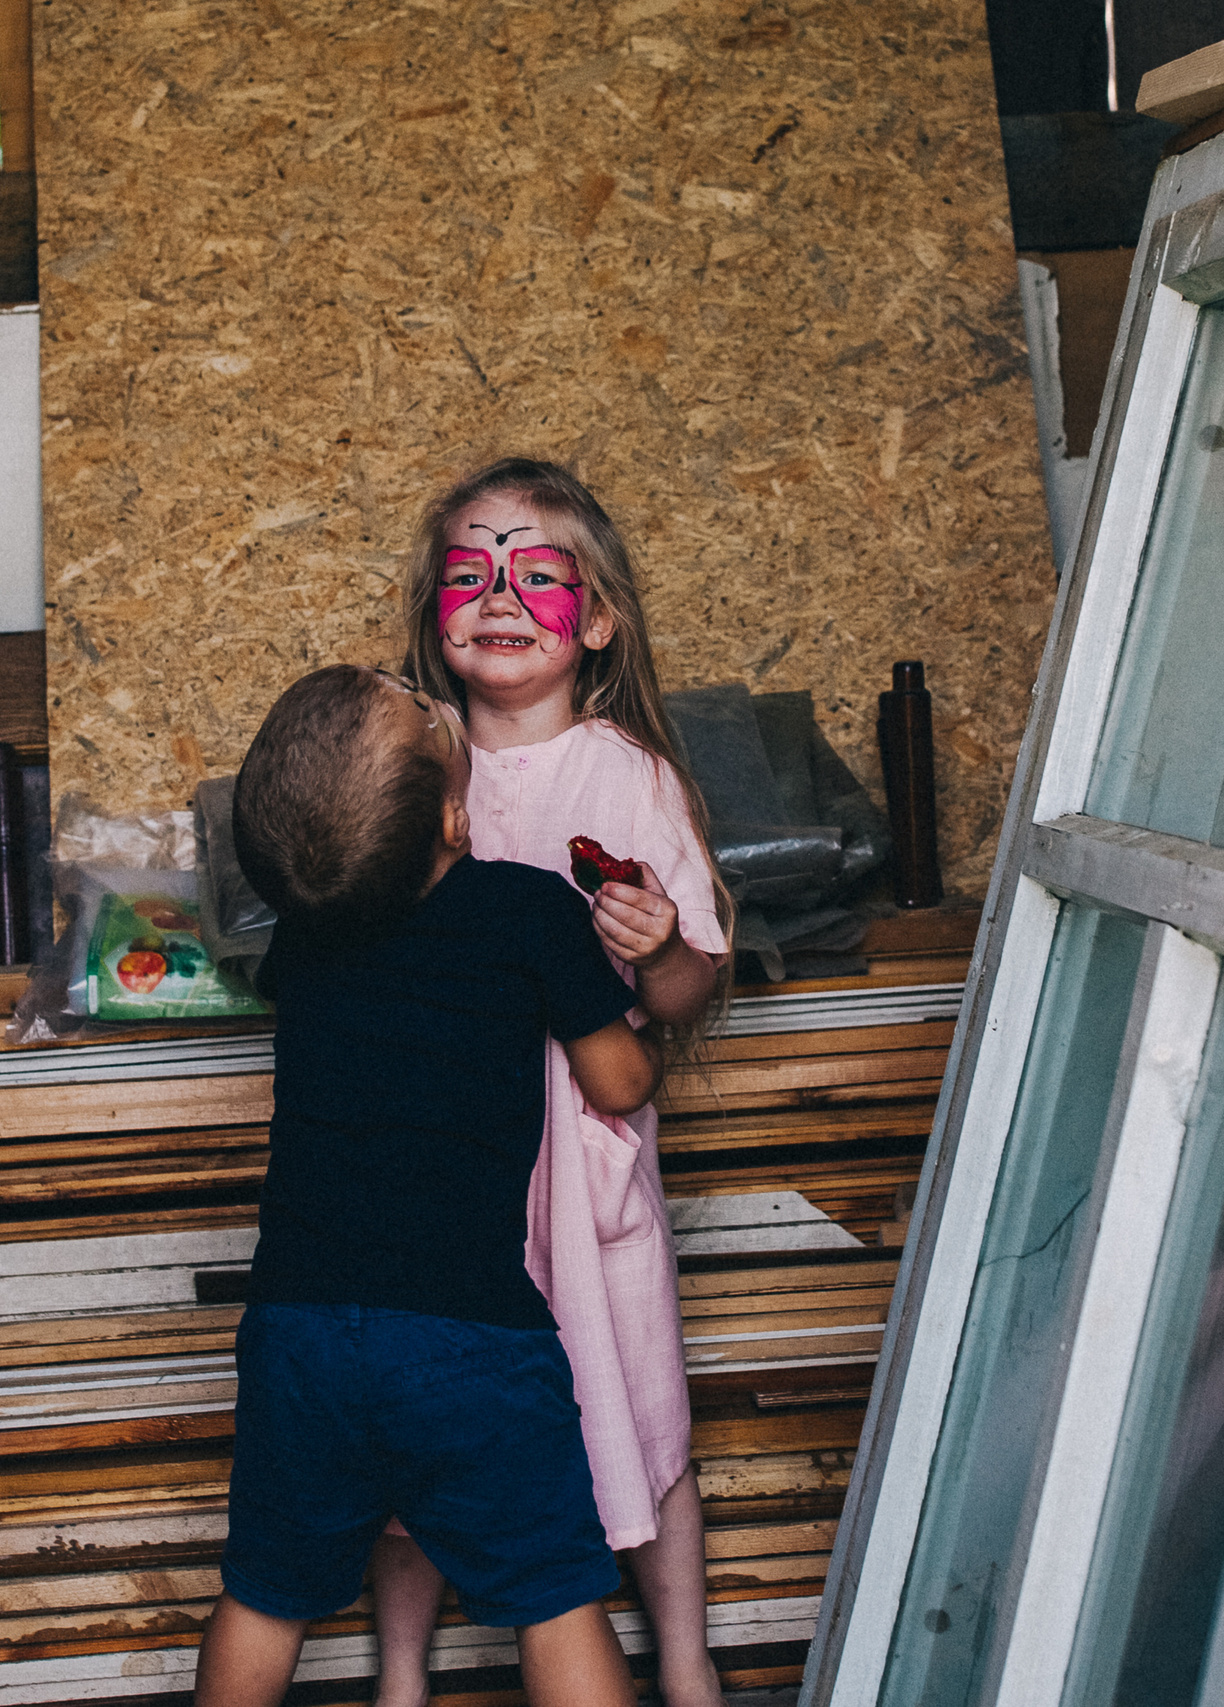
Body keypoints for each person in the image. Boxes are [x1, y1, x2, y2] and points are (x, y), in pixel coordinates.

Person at [193, 663, 656, 1707]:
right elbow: (619, 1083)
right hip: (467, 1336)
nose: (418, 683)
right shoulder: (527, 911)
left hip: (296, 1333)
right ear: (456, 817)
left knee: (266, 1593)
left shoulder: (306, 940)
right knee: (554, 1596)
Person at [365, 458, 732, 1707]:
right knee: (422, 1426)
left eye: (538, 573)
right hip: (442, 1162)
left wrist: (661, 949)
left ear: (601, 616)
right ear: (433, 612)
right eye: (471, 573)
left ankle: (684, 1669)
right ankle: (400, 1677)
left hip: (583, 1164)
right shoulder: (406, 771)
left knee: (634, 1412)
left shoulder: (628, 777)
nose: (502, 594)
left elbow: (689, 992)